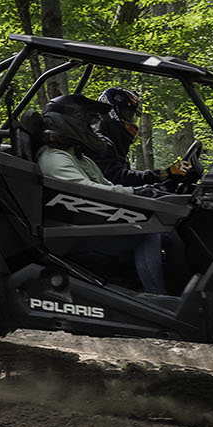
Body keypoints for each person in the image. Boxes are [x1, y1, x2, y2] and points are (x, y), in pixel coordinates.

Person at [36, 94, 168, 294]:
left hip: (87, 224)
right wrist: (136, 191)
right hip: (73, 233)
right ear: (70, 123)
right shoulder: (55, 158)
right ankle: (159, 299)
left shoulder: (80, 159)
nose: (94, 129)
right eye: (88, 124)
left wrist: (145, 193)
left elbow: (107, 186)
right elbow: (87, 191)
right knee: (148, 233)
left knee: (169, 231)